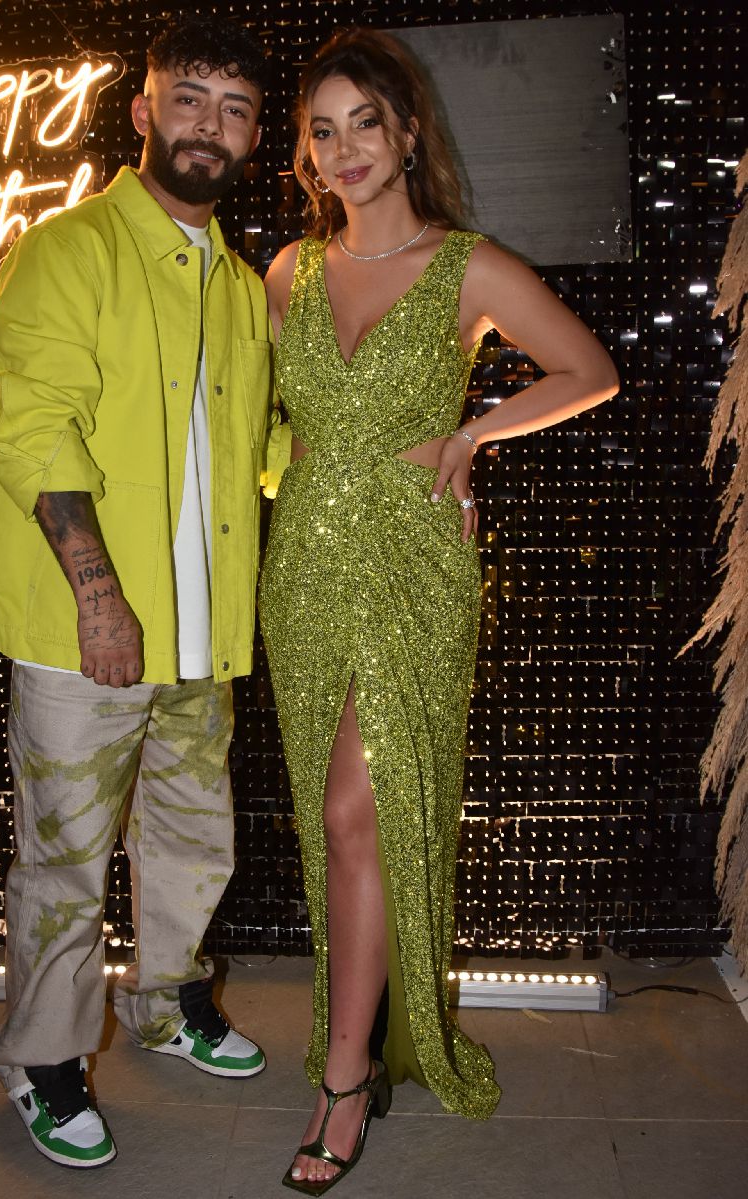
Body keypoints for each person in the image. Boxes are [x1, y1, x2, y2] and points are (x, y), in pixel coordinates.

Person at [258, 29, 620, 1194]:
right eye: (321, 130)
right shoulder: (287, 274)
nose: (344, 149)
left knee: (361, 806)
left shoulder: (467, 265)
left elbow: (587, 369)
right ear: (306, 153)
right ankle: (360, 1044)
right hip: (303, 568)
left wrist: (472, 434)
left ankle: (343, 1080)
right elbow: (274, 423)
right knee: (333, 823)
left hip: (415, 563)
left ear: (407, 131)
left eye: (363, 122)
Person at [0, 15, 274, 1171]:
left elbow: (251, 447)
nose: (209, 126)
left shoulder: (237, 285)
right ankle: (43, 1059)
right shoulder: (67, 249)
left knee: (193, 839)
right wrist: (97, 594)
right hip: (81, 630)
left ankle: (164, 997)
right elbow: (32, 428)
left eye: (234, 109)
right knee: (63, 862)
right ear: (144, 112)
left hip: (202, 633)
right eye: (188, 99)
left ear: (254, 136)